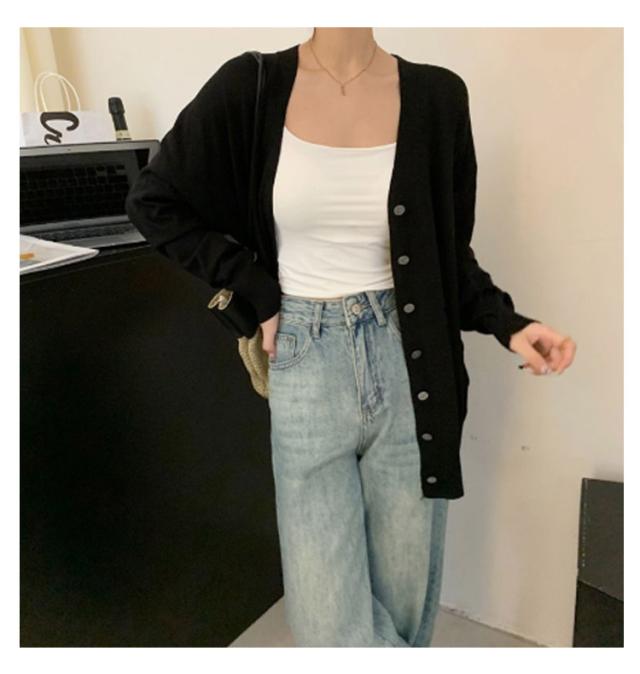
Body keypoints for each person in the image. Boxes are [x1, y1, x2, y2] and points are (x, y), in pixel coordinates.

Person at [126, 27, 576, 647]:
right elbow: (153, 201)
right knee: (328, 624)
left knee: (403, 608)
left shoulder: (438, 96)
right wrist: (253, 288)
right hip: (306, 362)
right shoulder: (251, 85)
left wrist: (510, 324)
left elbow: (448, 255)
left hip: (411, 365)